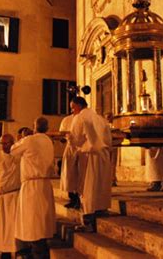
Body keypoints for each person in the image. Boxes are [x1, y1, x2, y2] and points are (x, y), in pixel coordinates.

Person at [11, 117, 56, 259]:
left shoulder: (30, 140)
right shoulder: (48, 141)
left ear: (34, 127)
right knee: (41, 223)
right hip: (45, 184)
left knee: (33, 225)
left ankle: (37, 253)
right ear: (47, 128)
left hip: (32, 186)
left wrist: (22, 137)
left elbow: (13, 150)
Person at [68, 97, 112, 230]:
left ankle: (87, 221)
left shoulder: (80, 117)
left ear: (80, 106)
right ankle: (101, 209)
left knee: (87, 187)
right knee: (101, 184)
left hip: (89, 154)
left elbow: (75, 138)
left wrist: (71, 142)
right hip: (103, 154)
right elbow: (108, 138)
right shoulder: (99, 118)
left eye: (73, 107)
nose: (72, 111)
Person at [59, 113, 81, 209]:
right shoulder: (67, 120)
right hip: (71, 148)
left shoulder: (84, 119)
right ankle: (72, 198)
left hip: (82, 149)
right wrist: (64, 138)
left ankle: (80, 199)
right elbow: (62, 136)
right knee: (69, 174)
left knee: (80, 174)